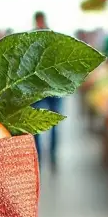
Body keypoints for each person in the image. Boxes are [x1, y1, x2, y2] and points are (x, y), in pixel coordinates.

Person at [31, 12, 63, 168]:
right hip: (51, 87)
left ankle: (42, 156)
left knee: (36, 122)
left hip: (39, 87)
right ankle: (47, 155)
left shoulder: (31, 39)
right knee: (43, 122)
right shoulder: (55, 38)